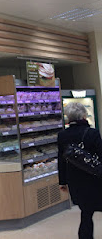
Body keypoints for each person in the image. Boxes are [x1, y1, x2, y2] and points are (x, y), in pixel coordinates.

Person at [58, 102, 102, 239]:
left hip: (76, 181)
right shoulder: (92, 133)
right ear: (83, 115)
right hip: (96, 179)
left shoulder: (62, 135)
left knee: (86, 213)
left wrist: (63, 182)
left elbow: (61, 160)